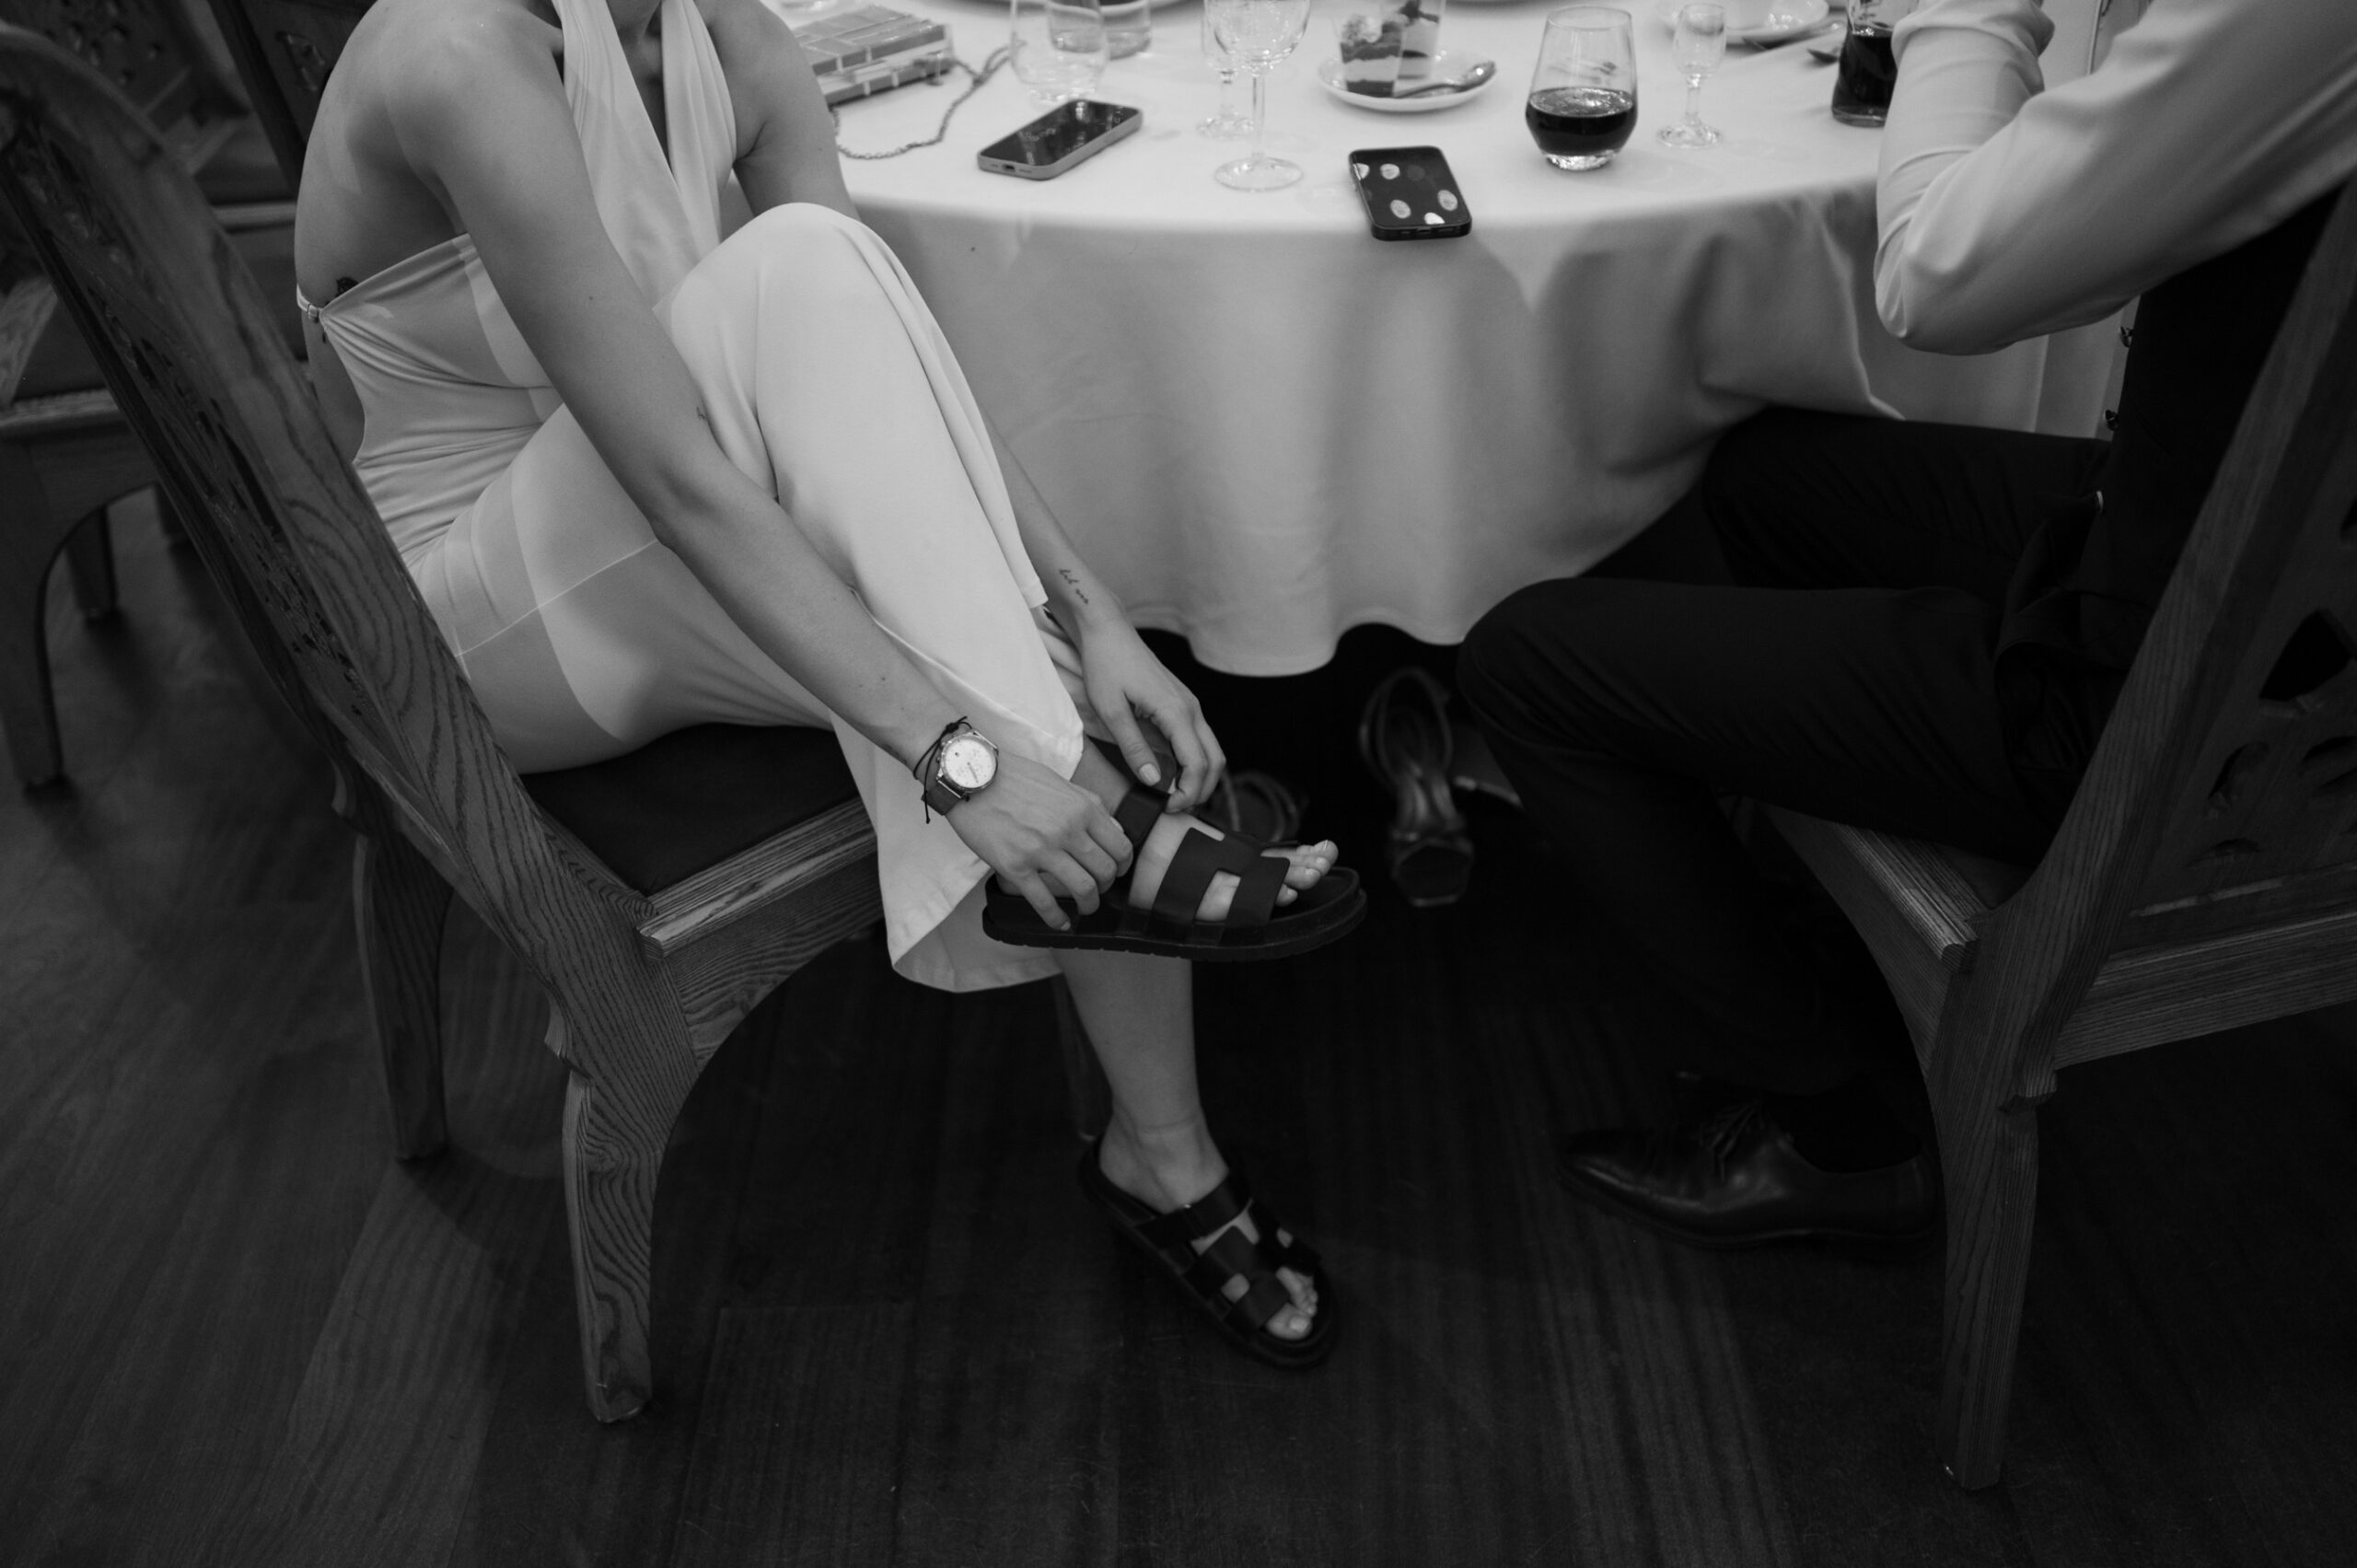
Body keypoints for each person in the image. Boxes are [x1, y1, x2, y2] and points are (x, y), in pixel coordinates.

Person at [293, 0, 1365, 1365]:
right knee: (803, 274)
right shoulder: (461, 56)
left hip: (646, 538)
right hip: (472, 627)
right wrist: (961, 763)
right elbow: (679, 481)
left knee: (990, 585)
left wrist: (1093, 616)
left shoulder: (735, 39)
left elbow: (893, 376)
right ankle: (1103, 885)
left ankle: (1165, 1154)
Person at [1457, 0, 2357, 1249]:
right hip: (2252, 552)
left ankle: (1836, 1138)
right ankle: (1810, 941)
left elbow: (1934, 274)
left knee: (1524, 663)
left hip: (2184, 694)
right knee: (1759, 477)